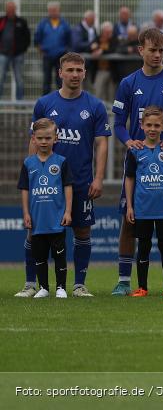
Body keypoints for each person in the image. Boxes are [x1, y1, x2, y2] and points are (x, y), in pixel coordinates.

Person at [14, 53, 110, 299]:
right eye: (70, 70)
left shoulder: (95, 106)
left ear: (85, 73)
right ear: (60, 72)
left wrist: (99, 178)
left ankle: (79, 285)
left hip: (80, 182)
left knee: (82, 232)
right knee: (34, 232)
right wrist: (32, 174)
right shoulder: (44, 104)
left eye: (79, 70)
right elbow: (34, 141)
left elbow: (101, 144)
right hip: (48, 185)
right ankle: (30, 284)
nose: (75, 74)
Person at [110, 28, 163, 297]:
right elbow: (118, 125)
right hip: (138, 161)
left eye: (161, 50)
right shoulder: (128, 83)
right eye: (152, 50)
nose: (158, 55)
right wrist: (128, 142)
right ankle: (125, 281)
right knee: (129, 220)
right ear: (141, 50)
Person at [124, 106, 163, 298]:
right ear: (141, 125)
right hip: (142, 209)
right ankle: (142, 287)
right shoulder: (134, 150)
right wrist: (130, 206)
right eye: (148, 124)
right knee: (143, 248)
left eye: (157, 125)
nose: (152, 128)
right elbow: (130, 178)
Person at [18, 119, 73, 299]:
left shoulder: (62, 162)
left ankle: (61, 288)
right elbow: (25, 190)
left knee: (59, 256)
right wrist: (26, 213)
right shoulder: (28, 164)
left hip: (56, 219)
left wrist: (67, 211)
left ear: (55, 139)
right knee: (39, 257)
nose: (43, 141)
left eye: (47, 138)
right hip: (37, 220)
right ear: (33, 139)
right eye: (40, 138)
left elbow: (67, 187)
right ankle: (43, 287)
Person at [34, 1, 72, 94]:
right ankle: (46, 102)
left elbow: (69, 38)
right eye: (51, 10)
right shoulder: (43, 23)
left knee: (60, 79)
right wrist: (40, 50)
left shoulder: (64, 24)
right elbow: (37, 38)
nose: (53, 12)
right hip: (47, 55)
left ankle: (61, 100)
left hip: (61, 56)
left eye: (55, 10)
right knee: (46, 80)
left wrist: (66, 52)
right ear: (48, 11)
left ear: (59, 10)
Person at [0, 0, 30, 101]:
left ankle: (20, 103)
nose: (10, 11)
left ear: (15, 9)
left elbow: (27, 38)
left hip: (18, 55)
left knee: (19, 79)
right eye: (9, 8)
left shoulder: (21, 22)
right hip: (3, 54)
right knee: (1, 78)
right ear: (6, 9)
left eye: (12, 9)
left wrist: (23, 49)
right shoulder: (1, 21)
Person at [90, 22, 118, 101]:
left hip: (112, 71)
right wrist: (93, 48)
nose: (109, 34)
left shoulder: (114, 39)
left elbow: (114, 49)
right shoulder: (97, 39)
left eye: (110, 32)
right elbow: (90, 47)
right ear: (102, 32)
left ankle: (111, 113)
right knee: (98, 93)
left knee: (111, 95)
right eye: (107, 32)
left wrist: (102, 51)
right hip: (99, 71)